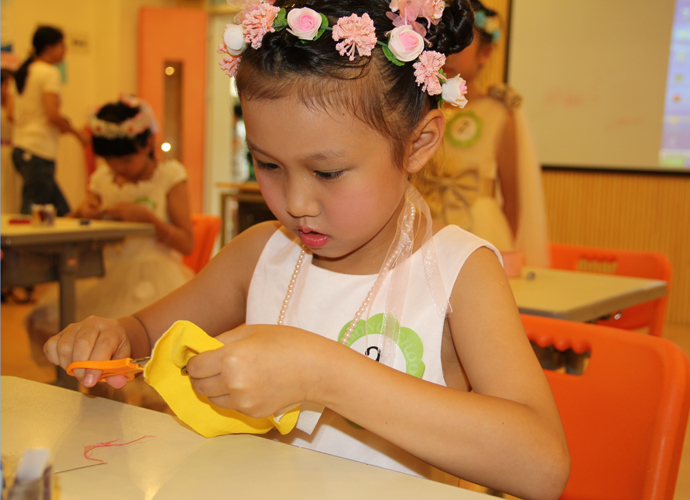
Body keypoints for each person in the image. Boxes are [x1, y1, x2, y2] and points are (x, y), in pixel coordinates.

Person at [44, 1, 569, 498]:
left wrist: (326, 374)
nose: (295, 203)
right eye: (268, 165)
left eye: (328, 172)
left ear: (418, 144)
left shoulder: (458, 273)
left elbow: (542, 466)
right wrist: (111, 336)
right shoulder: (260, 254)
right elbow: (142, 333)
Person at [28, 96, 194, 358]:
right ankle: (88, 381)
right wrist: (81, 213)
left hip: (154, 276)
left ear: (148, 143)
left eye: (126, 160)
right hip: (102, 273)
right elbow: (78, 230)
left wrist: (150, 220)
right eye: (109, 160)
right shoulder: (103, 180)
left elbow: (187, 243)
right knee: (47, 321)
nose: (117, 167)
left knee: (134, 336)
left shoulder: (169, 177)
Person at [415, 0, 550, 266]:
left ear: (485, 53)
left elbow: (513, 200)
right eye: (444, 43)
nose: (449, 55)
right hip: (425, 225)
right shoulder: (417, 109)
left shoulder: (499, 111)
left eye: (462, 45)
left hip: (480, 230)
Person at [11, 26, 87, 216]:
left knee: (61, 211)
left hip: (21, 148)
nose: (64, 50)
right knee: (33, 209)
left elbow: (12, 115)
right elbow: (52, 115)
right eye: (61, 45)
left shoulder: (24, 72)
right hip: (38, 150)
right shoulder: (49, 73)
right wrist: (77, 134)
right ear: (48, 47)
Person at [1, 68, 22, 214]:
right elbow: (9, 117)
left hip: (12, 150)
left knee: (13, 190)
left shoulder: (15, 105)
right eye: (7, 85)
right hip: (2, 150)